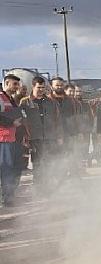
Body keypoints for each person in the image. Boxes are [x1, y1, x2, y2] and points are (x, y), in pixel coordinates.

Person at [20, 76, 61, 194]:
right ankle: (38, 188)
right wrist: (25, 137)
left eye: (43, 87)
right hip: (34, 138)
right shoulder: (25, 102)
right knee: (37, 164)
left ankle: (48, 188)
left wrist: (59, 135)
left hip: (49, 137)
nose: (41, 90)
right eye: (39, 87)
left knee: (48, 162)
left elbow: (57, 120)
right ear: (33, 86)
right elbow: (23, 121)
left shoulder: (51, 102)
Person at [0, 75, 24, 206]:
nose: (17, 87)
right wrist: (11, 122)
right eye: (15, 84)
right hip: (3, 138)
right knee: (6, 169)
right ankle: (7, 199)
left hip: (12, 138)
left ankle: (9, 196)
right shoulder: (0, 98)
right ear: (7, 83)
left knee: (14, 168)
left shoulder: (10, 99)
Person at [73, 86, 93, 168]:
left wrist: (89, 128)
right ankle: (76, 167)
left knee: (85, 149)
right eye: (76, 91)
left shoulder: (86, 105)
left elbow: (90, 117)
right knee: (75, 150)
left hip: (85, 131)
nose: (78, 93)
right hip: (74, 132)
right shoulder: (70, 104)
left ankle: (83, 168)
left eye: (80, 91)